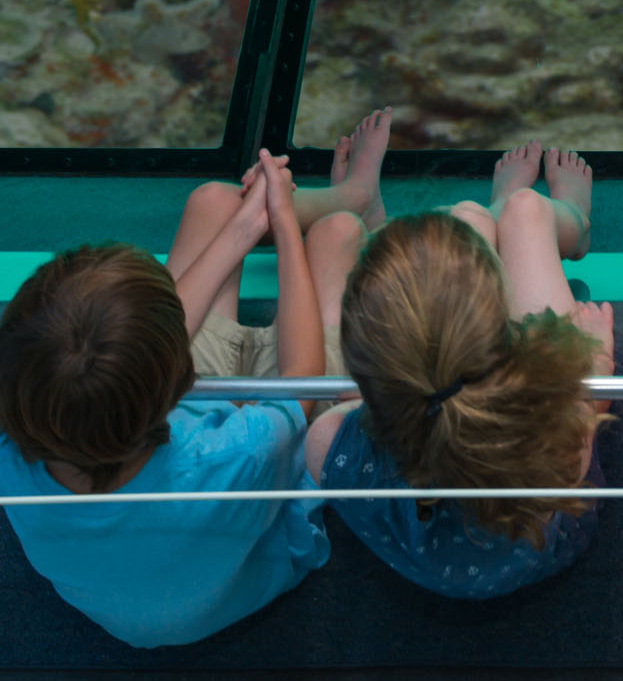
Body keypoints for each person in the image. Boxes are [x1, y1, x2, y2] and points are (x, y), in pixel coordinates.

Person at [0, 111, 393, 648]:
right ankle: (349, 204)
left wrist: (244, 227)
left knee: (213, 201)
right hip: (244, 485)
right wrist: (282, 226)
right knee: (335, 234)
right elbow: (302, 381)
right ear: (172, 380)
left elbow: (131, 365)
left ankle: (339, 198)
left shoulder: (16, 446)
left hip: (166, 455)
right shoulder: (233, 456)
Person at [304, 137, 613, 598]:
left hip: (427, 559)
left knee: (473, 218)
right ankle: (566, 221)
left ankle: (489, 213)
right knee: (526, 210)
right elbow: (588, 410)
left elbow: (354, 415)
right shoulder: (552, 445)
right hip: (539, 543)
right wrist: (599, 359)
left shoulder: (326, 444)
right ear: (505, 323)